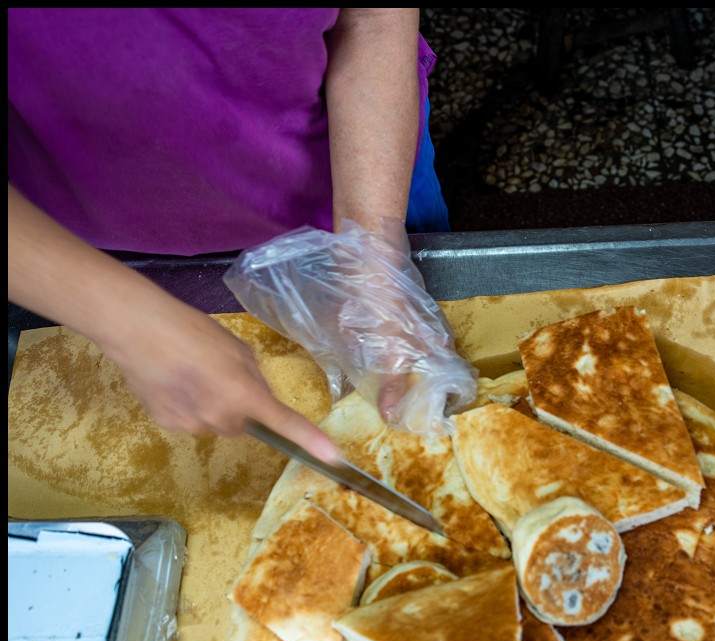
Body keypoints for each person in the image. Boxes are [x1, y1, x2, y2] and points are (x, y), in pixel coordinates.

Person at [8, 8, 454, 464]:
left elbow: (374, 21)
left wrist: (372, 258)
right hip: (70, 241)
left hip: (360, 170)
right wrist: (123, 318)